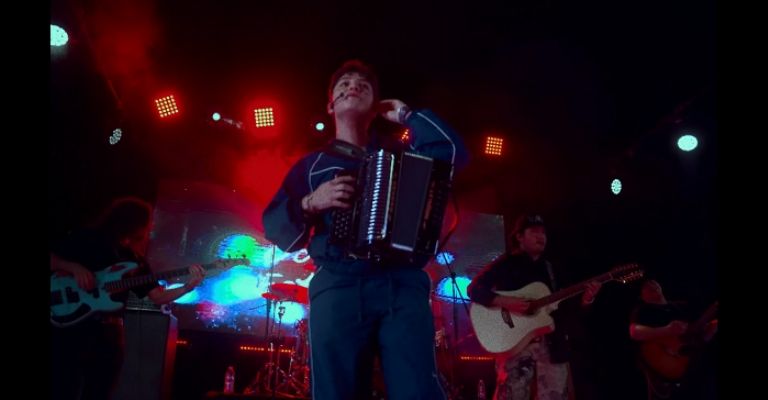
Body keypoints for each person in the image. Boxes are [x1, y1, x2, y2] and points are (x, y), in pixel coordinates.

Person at [263, 59, 468, 399]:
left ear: (376, 106)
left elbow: (451, 151)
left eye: (363, 85)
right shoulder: (312, 165)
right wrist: (311, 202)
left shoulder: (403, 155)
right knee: (336, 393)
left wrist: (406, 114)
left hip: (402, 283)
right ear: (330, 105)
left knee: (418, 391)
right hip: (338, 283)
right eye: (343, 84)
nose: (353, 86)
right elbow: (276, 227)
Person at [50, 197, 205, 400]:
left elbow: (158, 297)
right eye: (148, 222)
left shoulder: (134, 260)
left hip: (108, 334)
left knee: (99, 391)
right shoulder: (87, 239)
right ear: (133, 222)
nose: (150, 228)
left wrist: (187, 286)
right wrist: (73, 267)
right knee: (62, 388)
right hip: (73, 329)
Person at [467, 214, 602, 400]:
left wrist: (586, 299)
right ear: (519, 237)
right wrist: (506, 302)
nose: (541, 236)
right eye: (534, 232)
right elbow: (474, 289)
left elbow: (564, 310)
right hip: (516, 344)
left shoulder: (552, 268)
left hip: (552, 345)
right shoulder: (506, 264)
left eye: (543, 233)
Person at [629, 279, 717, 400]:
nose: (652, 285)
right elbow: (634, 332)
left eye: (653, 282)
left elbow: (695, 336)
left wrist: (709, 331)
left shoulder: (681, 306)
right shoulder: (643, 311)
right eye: (646, 286)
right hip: (666, 376)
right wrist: (666, 330)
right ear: (641, 296)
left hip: (695, 368)